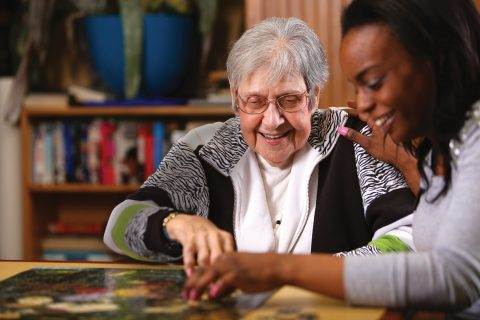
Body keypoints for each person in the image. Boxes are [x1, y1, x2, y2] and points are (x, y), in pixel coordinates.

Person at [183, 0, 480, 313]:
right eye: (357, 86)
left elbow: (453, 277)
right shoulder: (442, 147)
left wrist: (279, 269)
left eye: (375, 83)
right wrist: (408, 164)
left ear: (437, 59)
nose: (362, 104)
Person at [103, 17, 416, 276]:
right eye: (255, 101)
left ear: (314, 97)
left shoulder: (355, 138)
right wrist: (176, 224)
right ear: (235, 99)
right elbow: (119, 226)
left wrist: (313, 275)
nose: (273, 120)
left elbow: (408, 239)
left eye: (289, 100)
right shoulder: (205, 148)